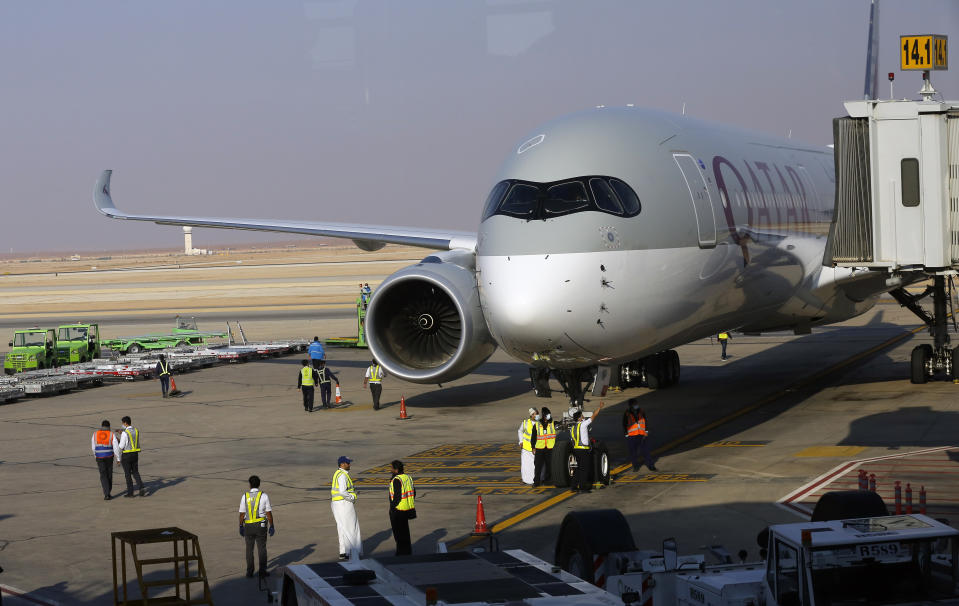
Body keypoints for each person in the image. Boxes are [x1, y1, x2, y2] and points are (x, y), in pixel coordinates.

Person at [238, 475, 274, 578]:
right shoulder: (264, 496)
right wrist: (272, 525)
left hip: (248, 525)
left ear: (249, 484)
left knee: (249, 549)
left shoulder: (245, 496)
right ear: (259, 484)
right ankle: (262, 571)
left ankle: (249, 572)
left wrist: (241, 525)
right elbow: (268, 513)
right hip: (261, 525)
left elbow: (241, 514)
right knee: (262, 548)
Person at [331, 456, 361, 560]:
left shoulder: (338, 473)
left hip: (337, 503)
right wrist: (352, 497)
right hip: (343, 503)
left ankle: (344, 552)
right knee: (351, 527)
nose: (349, 464)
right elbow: (343, 491)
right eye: (348, 463)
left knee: (342, 527)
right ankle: (352, 552)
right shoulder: (342, 475)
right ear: (342, 464)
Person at [570, 401, 604, 493]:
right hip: (583, 450)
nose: (584, 417)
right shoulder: (583, 424)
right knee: (584, 469)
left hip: (576, 450)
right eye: (582, 416)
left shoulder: (572, 428)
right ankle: (582, 487)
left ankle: (573, 486)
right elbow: (593, 416)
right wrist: (599, 407)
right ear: (580, 418)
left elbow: (572, 440)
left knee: (578, 468)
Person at [388, 460, 416, 556]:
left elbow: (397, 497)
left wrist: (392, 507)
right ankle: (408, 551)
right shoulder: (408, 477)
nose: (390, 470)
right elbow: (414, 492)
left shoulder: (396, 479)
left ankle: (401, 553)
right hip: (407, 508)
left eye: (391, 468)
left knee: (398, 533)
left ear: (396, 469)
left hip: (398, 510)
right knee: (405, 532)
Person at [623, 400, 656, 472]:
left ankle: (651, 465)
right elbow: (624, 424)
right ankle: (635, 466)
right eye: (634, 404)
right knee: (633, 453)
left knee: (646, 451)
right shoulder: (627, 413)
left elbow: (645, 420)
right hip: (632, 435)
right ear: (630, 406)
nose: (636, 405)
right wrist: (626, 435)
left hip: (642, 434)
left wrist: (646, 431)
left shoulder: (641, 411)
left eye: (636, 404)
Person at [92, 420, 121, 500]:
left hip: (99, 457)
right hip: (109, 456)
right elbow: (115, 447)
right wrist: (118, 458)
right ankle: (108, 492)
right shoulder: (111, 434)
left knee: (103, 475)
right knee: (109, 474)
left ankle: (106, 493)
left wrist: (96, 456)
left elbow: (93, 447)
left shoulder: (95, 434)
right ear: (109, 427)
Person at [117, 416, 145, 497]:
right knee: (135, 472)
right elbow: (131, 439)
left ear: (125, 423)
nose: (122, 424)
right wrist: (122, 433)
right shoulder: (136, 430)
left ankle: (130, 492)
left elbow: (121, 446)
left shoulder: (125, 433)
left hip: (126, 455)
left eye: (122, 423)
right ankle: (141, 486)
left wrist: (118, 440)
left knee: (127, 474)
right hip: (135, 454)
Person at [533, 407, 555, 486]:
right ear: (544, 415)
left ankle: (548, 480)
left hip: (549, 447)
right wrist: (533, 447)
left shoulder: (552, 423)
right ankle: (536, 482)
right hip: (540, 447)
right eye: (547, 415)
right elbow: (533, 437)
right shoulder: (537, 424)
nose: (549, 416)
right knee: (538, 465)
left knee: (549, 465)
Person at [517, 408, 538, 485]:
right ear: (531, 415)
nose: (535, 415)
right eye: (534, 414)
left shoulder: (540, 423)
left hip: (537, 448)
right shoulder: (525, 423)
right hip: (526, 448)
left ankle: (537, 479)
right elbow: (520, 431)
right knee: (526, 465)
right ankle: (525, 480)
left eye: (536, 414)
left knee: (536, 465)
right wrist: (521, 441)